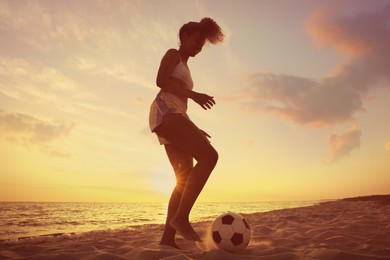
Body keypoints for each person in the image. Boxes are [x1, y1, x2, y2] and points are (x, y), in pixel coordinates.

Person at [148, 17, 224, 248]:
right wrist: (195, 95)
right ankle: (181, 218)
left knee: (183, 177)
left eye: (203, 44)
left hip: (175, 116)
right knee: (210, 157)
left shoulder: (186, 66)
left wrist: (193, 127)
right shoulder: (173, 54)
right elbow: (161, 81)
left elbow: (179, 101)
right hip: (165, 112)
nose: (200, 46)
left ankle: (167, 240)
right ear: (184, 36)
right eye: (197, 40)